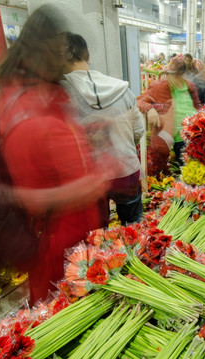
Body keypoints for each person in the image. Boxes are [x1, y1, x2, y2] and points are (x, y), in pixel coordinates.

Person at [0, 5, 110, 302]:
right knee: (61, 308)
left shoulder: (44, 94)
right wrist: (86, 186)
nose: (63, 59)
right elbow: (29, 197)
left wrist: (84, 140)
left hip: (75, 235)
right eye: (58, 50)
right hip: (56, 242)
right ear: (40, 50)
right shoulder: (26, 108)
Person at [61, 33, 145, 225]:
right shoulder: (122, 88)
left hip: (90, 179)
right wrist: (122, 148)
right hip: (126, 171)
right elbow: (139, 130)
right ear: (88, 57)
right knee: (133, 229)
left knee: (97, 234)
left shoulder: (61, 95)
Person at [137, 55, 202, 174]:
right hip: (165, 136)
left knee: (187, 171)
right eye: (176, 74)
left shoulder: (190, 87)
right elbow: (140, 101)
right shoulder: (159, 86)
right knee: (160, 169)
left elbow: (197, 106)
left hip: (188, 137)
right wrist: (150, 109)